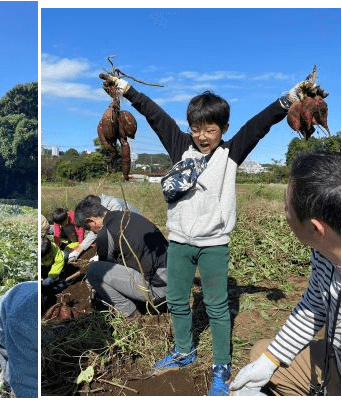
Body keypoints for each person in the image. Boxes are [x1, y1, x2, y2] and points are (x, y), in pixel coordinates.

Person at [101, 73, 316, 395]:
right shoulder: (179, 147)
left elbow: (260, 124)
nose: (202, 136)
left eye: (210, 130)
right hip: (180, 243)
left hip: (214, 245)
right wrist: (127, 90)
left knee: (216, 306)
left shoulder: (230, 154)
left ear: (224, 130)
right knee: (176, 300)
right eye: (196, 129)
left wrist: (288, 99)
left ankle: (221, 364)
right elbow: (155, 116)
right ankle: (184, 351)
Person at [230, 151, 340, 396]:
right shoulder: (325, 251)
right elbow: (314, 305)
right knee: (262, 352)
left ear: (315, 228)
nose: (284, 214)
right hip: (336, 357)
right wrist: (270, 360)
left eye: (287, 208)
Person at [73, 198, 168, 320]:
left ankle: (131, 314)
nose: (91, 232)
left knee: (93, 272)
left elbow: (106, 269)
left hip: (158, 290)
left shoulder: (105, 233)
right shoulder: (129, 215)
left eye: (89, 228)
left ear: (91, 220)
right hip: (175, 280)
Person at [0, 281, 38, 398]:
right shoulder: (25, 325)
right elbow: (28, 381)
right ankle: (8, 381)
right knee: (15, 364)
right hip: (3, 322)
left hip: (18, 308)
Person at [70, 194, 141, 262]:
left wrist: (103, 255)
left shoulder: (115, 207)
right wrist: (79, 249)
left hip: (135, 235)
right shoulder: (98, 208)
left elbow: (117, 234)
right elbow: (94, 229)